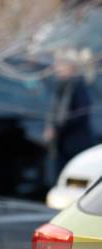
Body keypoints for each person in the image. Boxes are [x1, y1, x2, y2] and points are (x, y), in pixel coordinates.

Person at [44, 48, 96, 183]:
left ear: (71, 66)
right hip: (63, 144)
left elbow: (80, 114)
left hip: (75, 145)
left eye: (60, 64)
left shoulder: (78, 85)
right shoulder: (62, 85)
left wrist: (57, 129)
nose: (56, 67)